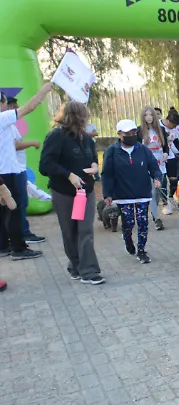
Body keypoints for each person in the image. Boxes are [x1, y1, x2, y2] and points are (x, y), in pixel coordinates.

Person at [39, 101, 104, 284]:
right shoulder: (56, 136)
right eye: (82, 116)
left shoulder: (86, 138)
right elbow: (45, 165)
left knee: (85, 231)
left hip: (86, 192)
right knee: (70, 232)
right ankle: (75, 265)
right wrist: (68, 175)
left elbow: (93, 157)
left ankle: (89, 271)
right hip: (64, 193)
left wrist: (94, 166)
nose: (85, 119)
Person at [0, 83, 51, 261]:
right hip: (8, 172)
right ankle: (18, 248)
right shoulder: (3, 118)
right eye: (5, 102)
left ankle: (3, 246)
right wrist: (43, 90)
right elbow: (29, 107)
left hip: (3, 173)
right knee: (14, 210)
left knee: (3, 211)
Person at [102, 120, 163, 264]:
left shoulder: (143, 149)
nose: (131, 135)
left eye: (133, 132)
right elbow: (107, 173)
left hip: (142, 193)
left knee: (143, 222)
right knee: (128, 222)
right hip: (123, 194)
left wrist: (157, 178)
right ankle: (128, 240)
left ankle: (141, 250)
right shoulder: (112, 151)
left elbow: (154, 167)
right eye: (127, 133)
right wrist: (107, 193)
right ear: (119, 134)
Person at [9, 100, 46, 244]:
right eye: (14, 106)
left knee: (21, 202)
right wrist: (32, 143)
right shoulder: (7, 124)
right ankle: (23, 234)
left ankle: (22, 233)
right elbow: (15, 145)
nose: (18, 108)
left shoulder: (11, 125)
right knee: (20, 202)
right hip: (15, 170)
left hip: (18, 168)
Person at [138, 106, 169, 231]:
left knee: (158, 191)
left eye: (151, 115)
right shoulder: (139, 131)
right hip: (147, 165)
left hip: (160, 164)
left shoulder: (161, 129)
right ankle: (156, 218)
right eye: (146, 115)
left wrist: (166, 153)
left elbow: (165, 146)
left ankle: (154, 212)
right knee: (152, 191)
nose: (149, 117)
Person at [161, 109, 179, 214]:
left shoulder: (174, 129)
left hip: (171, 156)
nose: (174, 128)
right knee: (162, 181)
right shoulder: (159, 126)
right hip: (160, 157)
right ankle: (164, 203)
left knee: (174, 180)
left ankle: (171, 199)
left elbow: (175, 141)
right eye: (173, 125)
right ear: (168, 122)